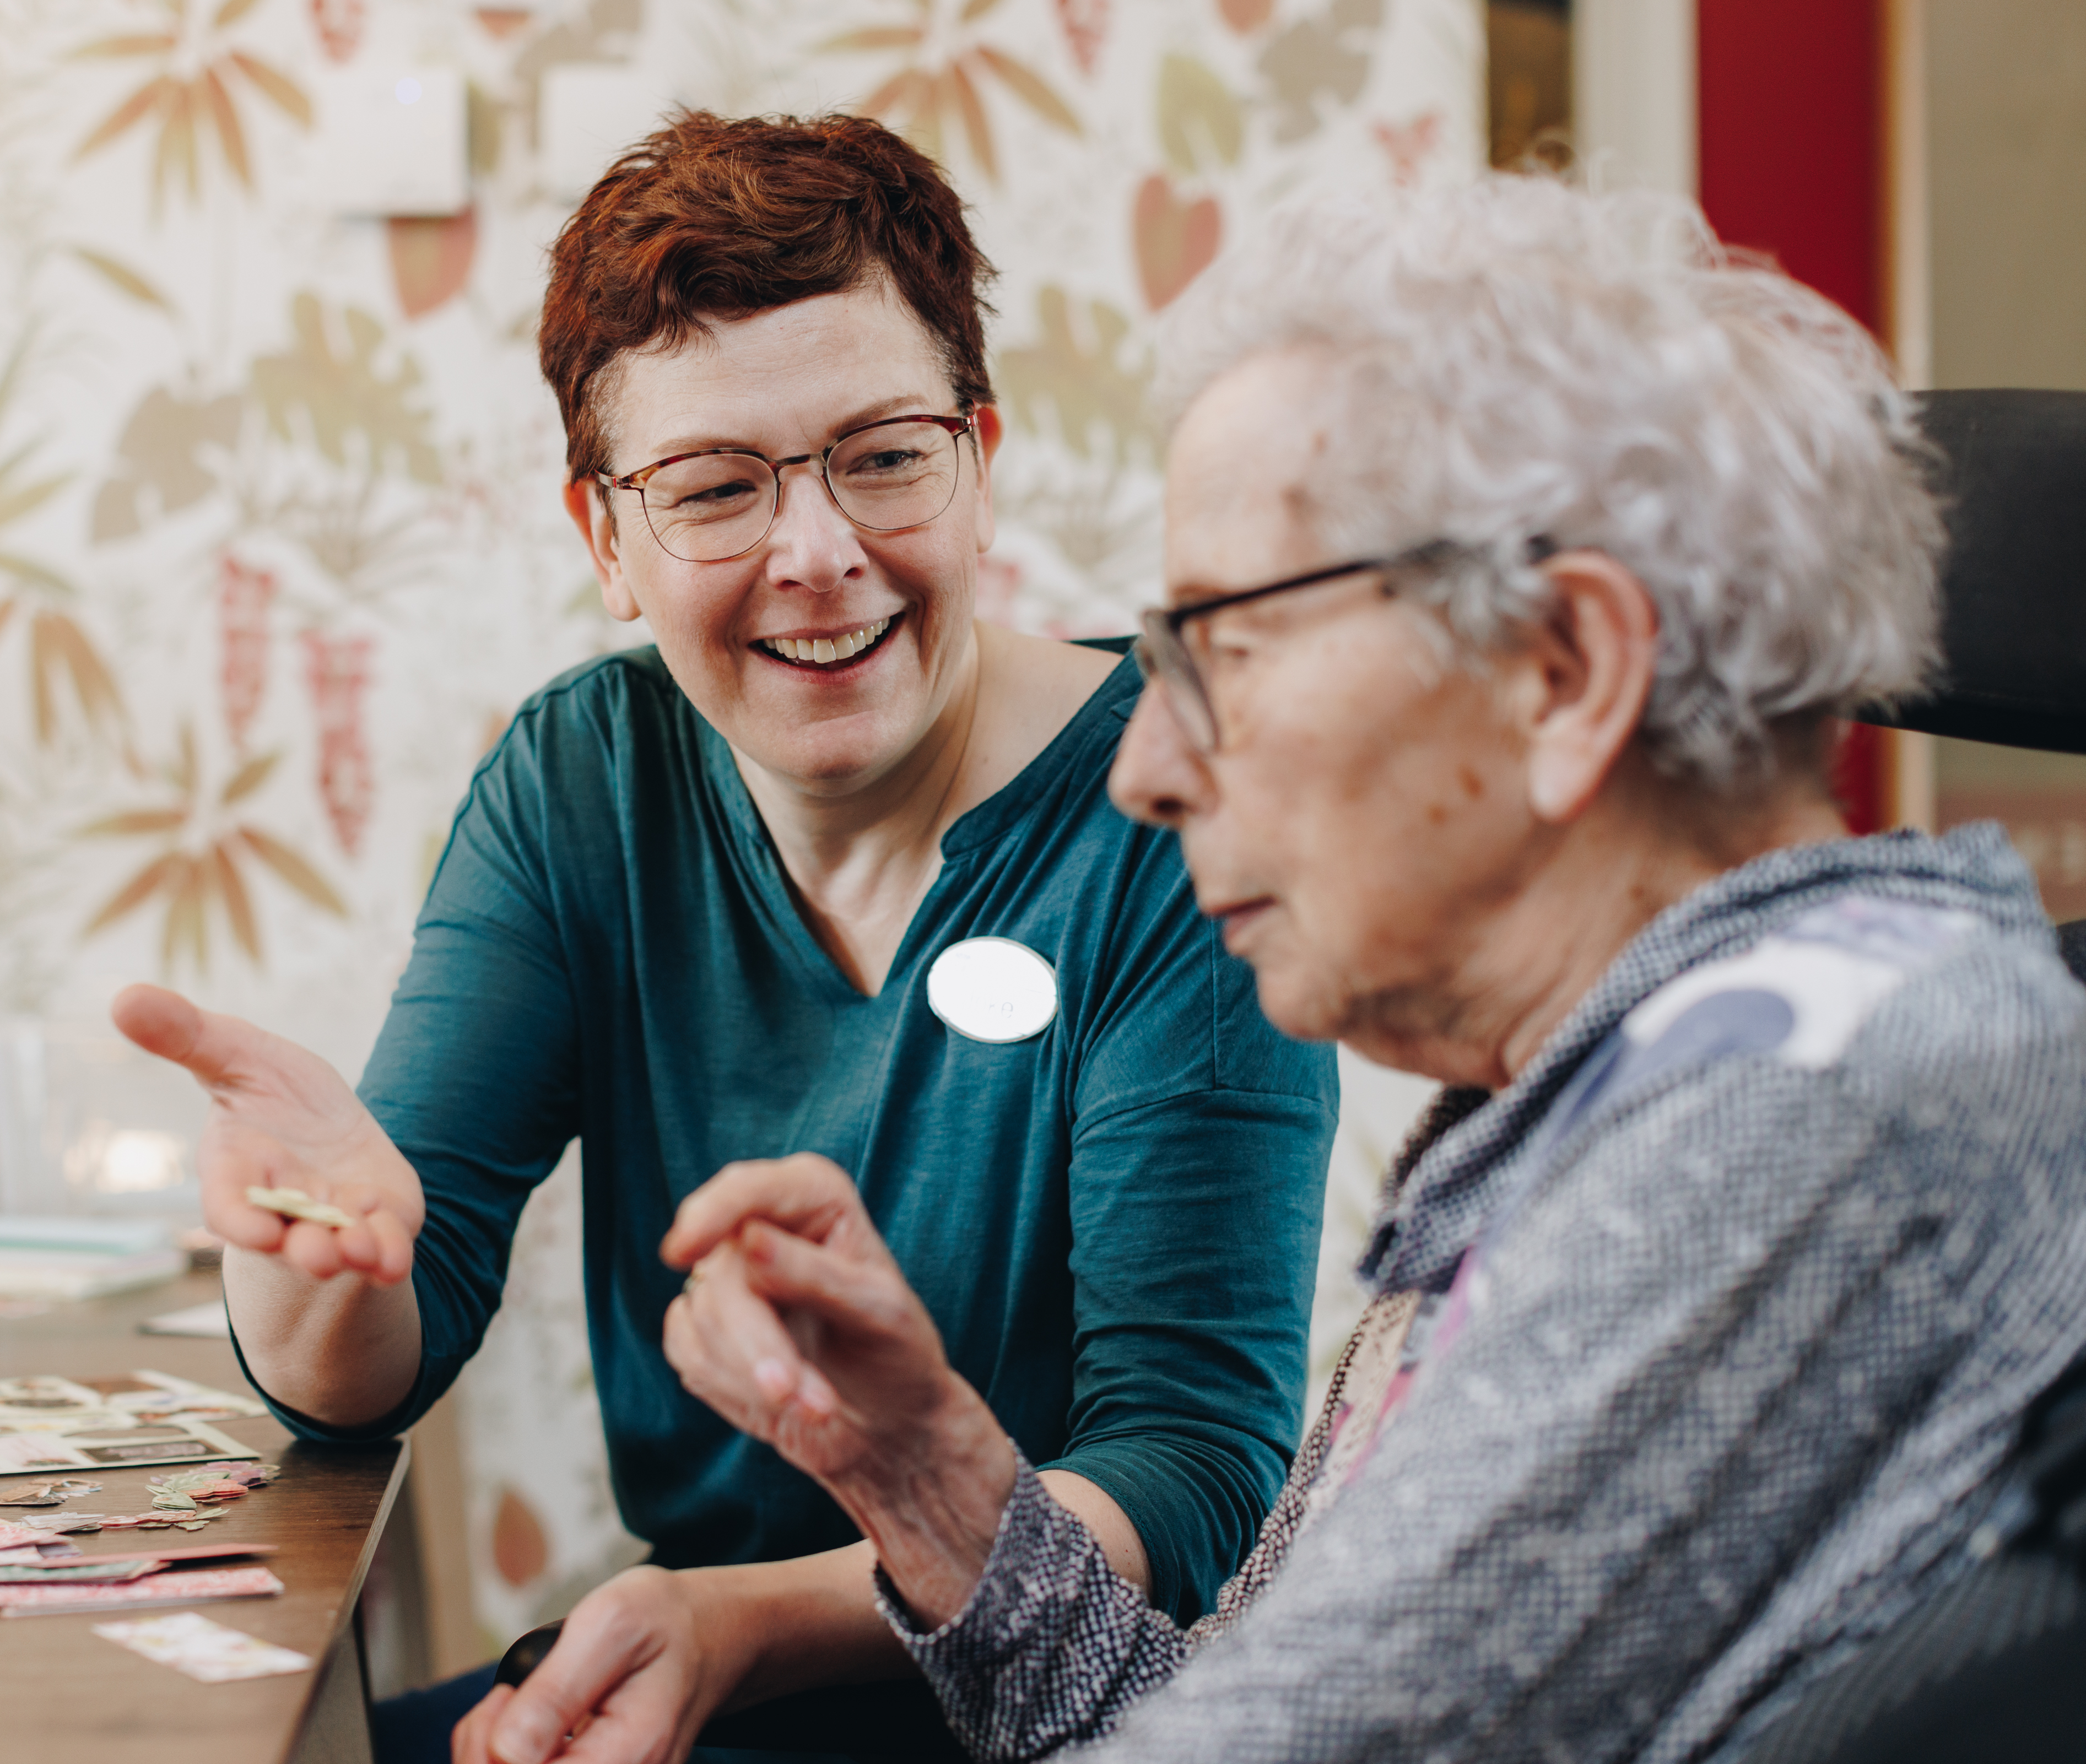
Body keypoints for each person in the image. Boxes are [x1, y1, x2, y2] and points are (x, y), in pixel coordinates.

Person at [596, 173, 2086, 1764]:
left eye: (1221, 651)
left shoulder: (1801, 1114)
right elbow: (1237, 1722)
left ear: (1563, 671)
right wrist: (922, 1468)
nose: (1143, 768)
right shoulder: (1675, 1084)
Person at [113, 112, 1336, 1760]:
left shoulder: (1175, 809)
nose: (817, 553)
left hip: (1059, 1719)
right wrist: (302, 1266)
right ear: (607, 539)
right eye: (715, 487)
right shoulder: (580, 783)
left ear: (980, 460)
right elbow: (372, 1361)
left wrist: (738, 1625)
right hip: (687, 1676)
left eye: (884, 455)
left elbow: (1187, 1480)